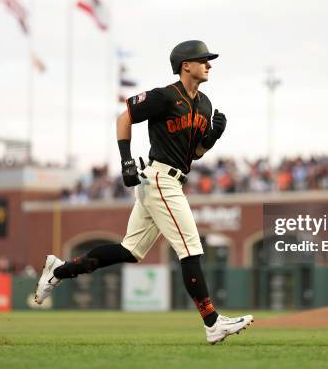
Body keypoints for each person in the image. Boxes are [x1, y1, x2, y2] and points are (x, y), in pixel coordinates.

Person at [34, 40, 253, 344]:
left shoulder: (204, 104)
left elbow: (196, 153)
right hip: (159, 178)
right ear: (185, 65)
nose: (209, 64)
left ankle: (59, 270)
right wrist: (125, 159)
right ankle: (212, 323)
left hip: (172, 179)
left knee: (130, 251)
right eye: (204, 60)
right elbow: (125, 117)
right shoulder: (165, 96)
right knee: (190, 248)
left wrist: (213, 137)